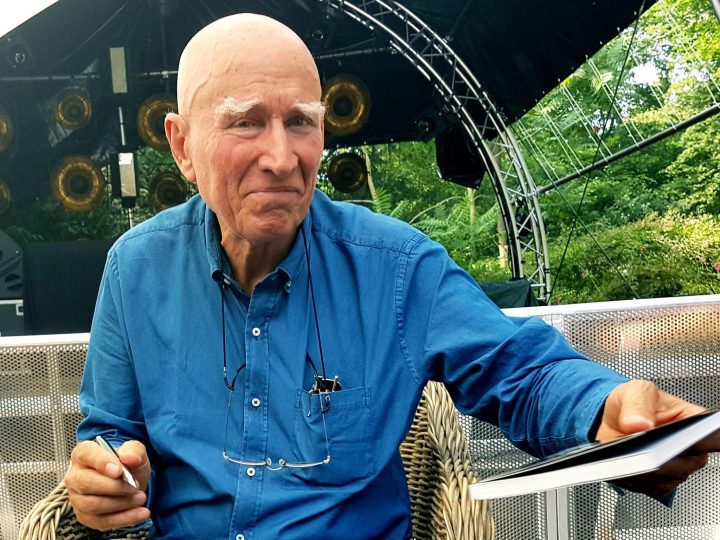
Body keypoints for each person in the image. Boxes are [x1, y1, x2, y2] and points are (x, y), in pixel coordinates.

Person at [64, 13, 719, 539]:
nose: (282, 157)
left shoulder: (397, 267)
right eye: (246, 122)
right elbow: (107, 431)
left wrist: (606, 408)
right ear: (182, 145)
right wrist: (104, 475)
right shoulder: (134, 269)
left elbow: (523, 372)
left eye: (301, 121)